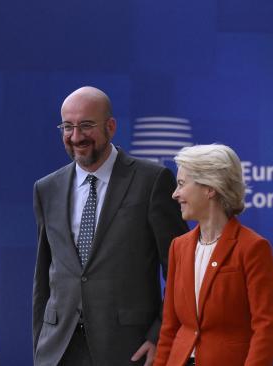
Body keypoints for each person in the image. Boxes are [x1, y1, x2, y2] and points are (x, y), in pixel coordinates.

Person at [32, 86, 189, 366]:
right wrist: (40, 345)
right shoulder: (47, 188)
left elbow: (181, 271)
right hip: (59, 350)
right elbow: (44, 276)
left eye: (86, 125)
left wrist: (159, 336)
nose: (76, 136)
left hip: (129, 349)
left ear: (111, 126)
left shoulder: (152, 181)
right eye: (68, 127)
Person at [153, 144, 273, 366]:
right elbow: (170, 326)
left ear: (210, 188)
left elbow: (265, 328)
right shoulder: (178, 247)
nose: (175, 194)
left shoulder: (252, 248)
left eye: (182, 184)